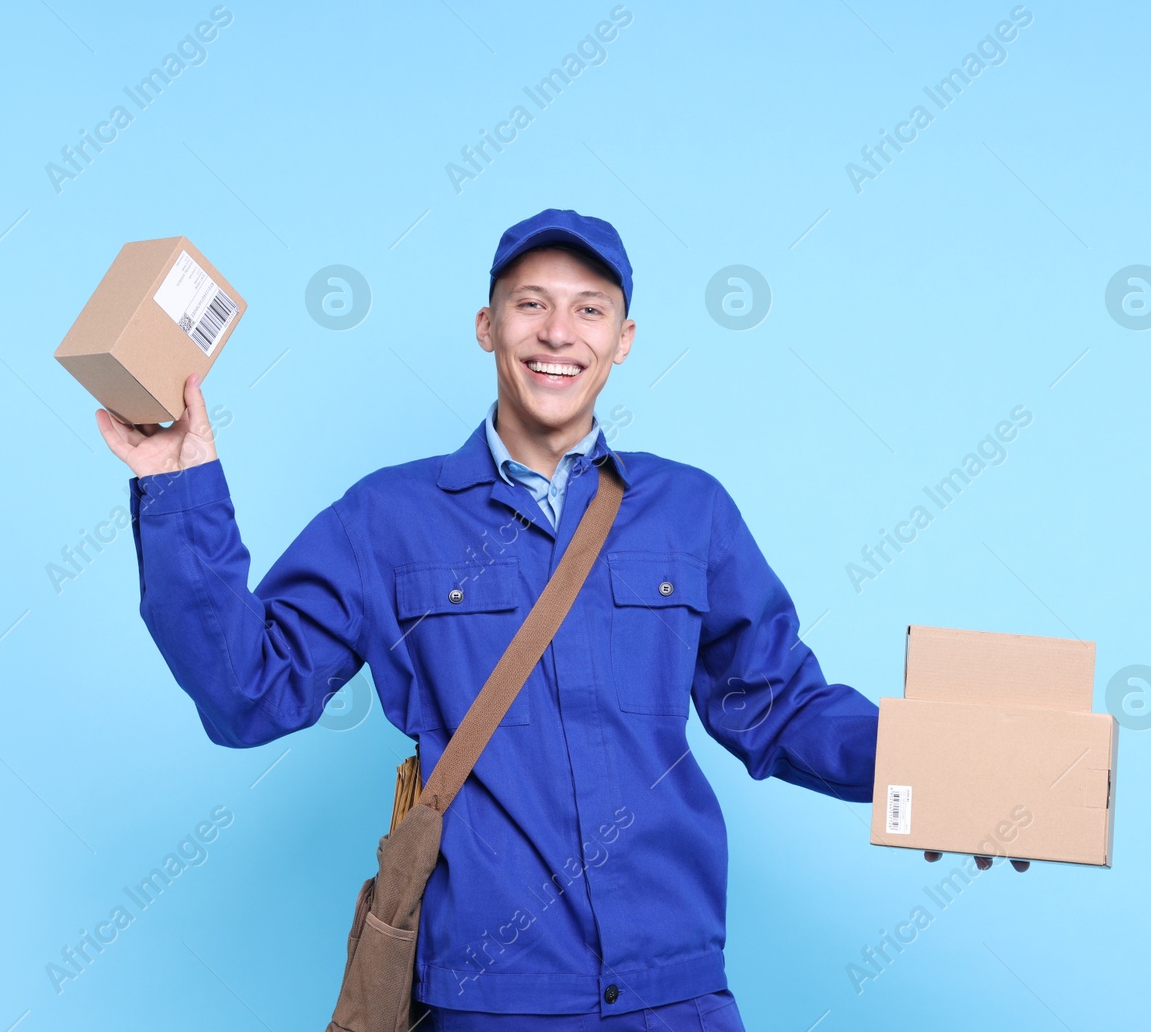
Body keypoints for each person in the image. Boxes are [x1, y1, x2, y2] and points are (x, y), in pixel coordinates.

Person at [96, 208, 885, 1031]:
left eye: (589, 309)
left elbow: (781, 707)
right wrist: (177, 485)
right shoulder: (388, 518)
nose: (559, 333)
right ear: (487, 326)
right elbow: (246, 689)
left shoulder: (689, 511)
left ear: (624, 338)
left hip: (673, 996)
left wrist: (934, 773)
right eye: (530, 304)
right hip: (490, 1001)